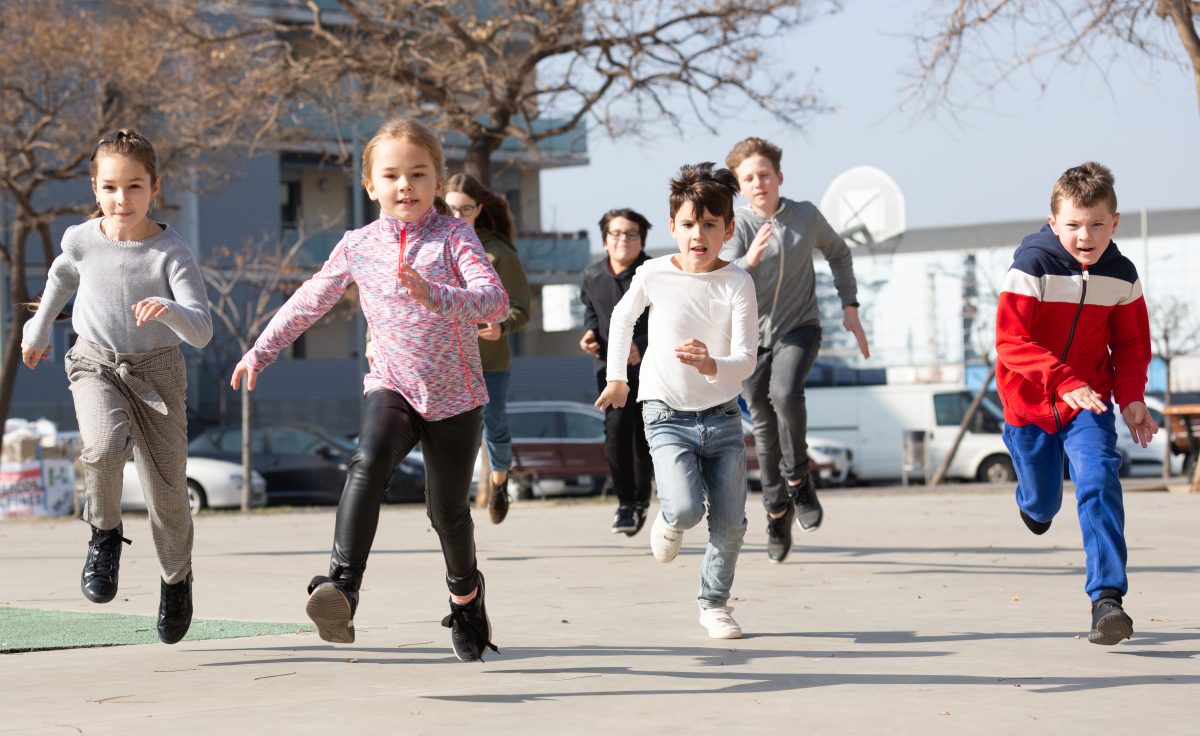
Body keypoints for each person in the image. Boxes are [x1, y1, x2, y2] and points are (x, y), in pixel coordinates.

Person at [231, 117, 508, 662]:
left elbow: (493, 299)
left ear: (436, 180)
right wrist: (260, 349)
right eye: (392, 176)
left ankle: (467, 600)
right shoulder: (358, 245)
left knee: (447, 512)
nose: (405, 185)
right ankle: (341, 588)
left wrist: (436, 295)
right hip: (392, 385)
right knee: (367, 460)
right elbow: (311, 299)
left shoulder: (457, 236)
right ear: (371, 187)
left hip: (456, 397)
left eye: (419, 174)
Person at [21, 129, 213, 644]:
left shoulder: (171, 251)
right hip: (94, 362)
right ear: (94, 187)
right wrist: (36, 331)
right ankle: (104, 535)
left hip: (158, 373)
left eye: (133, 187)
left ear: (155, 187)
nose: (120, 200)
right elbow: (62, 276)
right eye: (109, 188)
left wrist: (169, 310)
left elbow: (202, 329)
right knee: (103, 446)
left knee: (168, 495)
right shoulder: (81, 239)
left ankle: (176, 580)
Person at [996, 162, 1156, 646]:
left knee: (1098, 475)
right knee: (1043, 503)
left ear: (1115, 222)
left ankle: (1107, 599)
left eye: (1096, 224)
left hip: (1089, 402)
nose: (1084, 236)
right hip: (1029, 402)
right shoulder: (1032, 267)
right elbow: (1010, 342)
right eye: (1073, 225)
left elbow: (1130, 345)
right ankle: (1035, 503)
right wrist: (1061, 381)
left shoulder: (1122, 276)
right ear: (1053, 223)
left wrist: (1130, 398)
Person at [598, 163, 758, 639]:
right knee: (687, 510)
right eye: (689, 224)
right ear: (673, 227)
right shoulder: (652, 273)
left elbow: (747, 358)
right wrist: (618, 379)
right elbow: (621, 320)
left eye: (711, 224)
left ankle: (714, 604)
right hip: (664, 413)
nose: (699, 235)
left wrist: (713, 365)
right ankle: (669, 518)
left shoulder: (737, 283)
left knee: (730, 526)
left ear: (728, 229)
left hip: (724, 418)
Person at [718, 138, 869, 564]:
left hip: (799, 328)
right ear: (740, 187)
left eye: (764, 173)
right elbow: (723, 273)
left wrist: (850, 304)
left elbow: (839, 252)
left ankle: (799, 481)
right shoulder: (737, 226)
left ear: (779, 177)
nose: (758, 182)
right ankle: (776, 510)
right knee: (763, 425)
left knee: (785, 394)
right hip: (748, 339)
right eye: (749, 178)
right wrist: (748, 258)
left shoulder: (805, 216)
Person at [443, 173, 531, 525]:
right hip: (445, 359)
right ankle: (449, 498)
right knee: (445, 429)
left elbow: (521, 307)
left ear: (478, 209)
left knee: (492, 424)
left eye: (466, 209)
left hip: (489, 360)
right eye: (451, 209)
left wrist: (503, 325)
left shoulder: (498, 252)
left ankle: (498, 486)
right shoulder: (431, 246)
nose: (459, 216)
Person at [580, 209, 654, 535]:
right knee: (617, 432)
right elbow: (590, 312)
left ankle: (640, 499)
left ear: (642, 241)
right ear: (606, 240)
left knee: (643, 439)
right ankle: (626, 504)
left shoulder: (655, 273)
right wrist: (590, 334)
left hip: (652, 370)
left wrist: (643, 343)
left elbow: (674, 319)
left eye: (631, 234)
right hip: (611, 372)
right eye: (616, 233)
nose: (623, 239)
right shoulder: (592, 275)